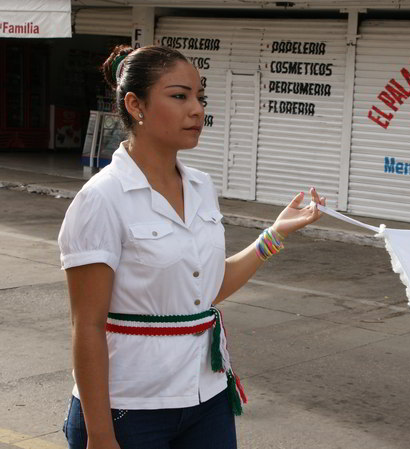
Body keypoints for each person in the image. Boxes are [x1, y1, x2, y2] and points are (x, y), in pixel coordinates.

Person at [59, 44, 325, 449]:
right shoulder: (102, 198)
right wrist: (99, 436)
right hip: (130, 409)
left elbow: (204, 290)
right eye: (179, 96)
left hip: (206, 397)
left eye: (200, 97)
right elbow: (88, 326)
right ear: (136, 105)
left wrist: (274, 235)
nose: (197, 110)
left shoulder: (201, 186)